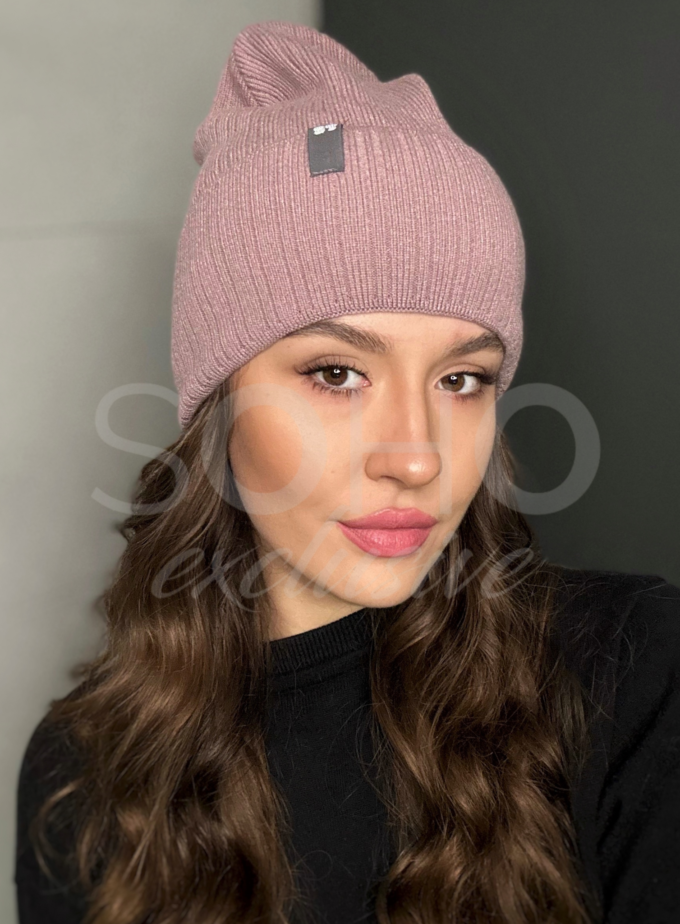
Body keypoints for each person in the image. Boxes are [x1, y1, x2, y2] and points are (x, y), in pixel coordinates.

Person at [14, 20, 680, 924]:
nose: (415, 456)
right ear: (218, 402)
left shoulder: (630, 673)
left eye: (462, 379)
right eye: (336, 373)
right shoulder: (82, 772)